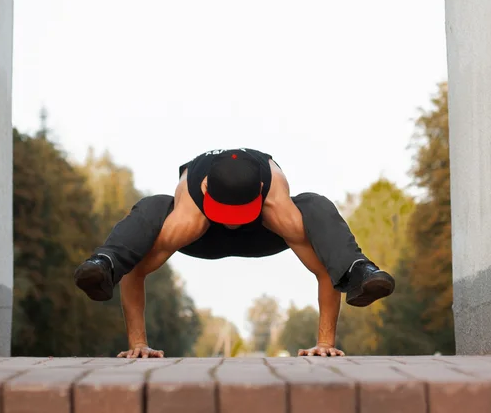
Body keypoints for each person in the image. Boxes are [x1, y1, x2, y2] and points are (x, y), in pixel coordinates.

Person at [74, 148, 395, 358]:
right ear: (203, 191)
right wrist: (137, 345)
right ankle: (106, 262)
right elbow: (138, 270)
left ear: (259, 192)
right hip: (201, 233)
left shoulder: (275, 201)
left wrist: (325, 343)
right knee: (152, 207)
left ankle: (358, 270)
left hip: (262, 231)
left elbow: (325, 268)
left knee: (314, 205)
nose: (230, 224)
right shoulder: (188, 208)